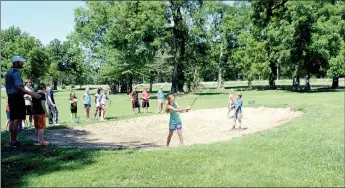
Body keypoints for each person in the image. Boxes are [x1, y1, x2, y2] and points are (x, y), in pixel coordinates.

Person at [5, 56, 39, 147]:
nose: (22, 63)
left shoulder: (9, 72)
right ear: (16, 62)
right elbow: (18, 87)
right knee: (17, 119)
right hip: (16, 98)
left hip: (11, 97)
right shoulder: (16, 73)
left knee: (12, 119)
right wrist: (32, 94)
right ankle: (14, 141)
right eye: (21, 62)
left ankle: (12, 140)